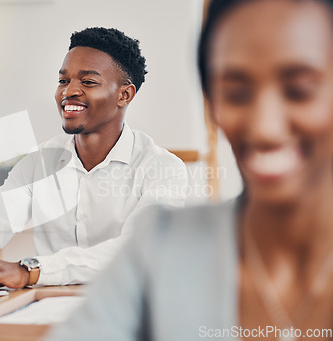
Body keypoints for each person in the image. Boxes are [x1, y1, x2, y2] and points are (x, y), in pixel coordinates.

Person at [47, 0, 333, 340]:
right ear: (212, 105)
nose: (265, 127)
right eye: (236, 93)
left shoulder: (160, 168)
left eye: (299, 91)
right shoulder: (161, 245)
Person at [0, 27, 187, 290]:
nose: (68, 91)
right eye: (63, 80)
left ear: (124, 95)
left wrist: (30, 271)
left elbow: (135, 250)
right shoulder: (40, 162)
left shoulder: (163, 169)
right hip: (46, 305)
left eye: (87, 81)